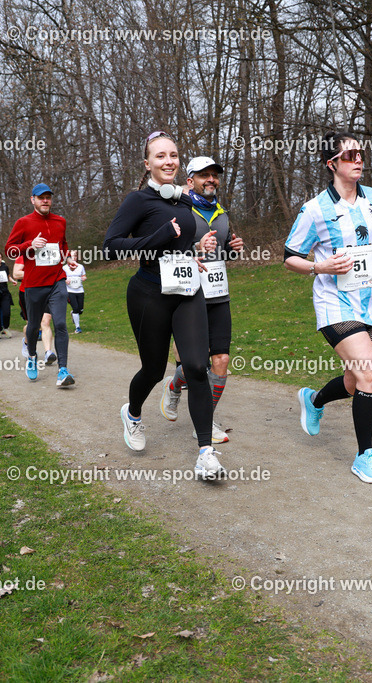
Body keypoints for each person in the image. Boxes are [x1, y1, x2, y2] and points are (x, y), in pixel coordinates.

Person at [284, 132, 372, 484]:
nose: (358, 159)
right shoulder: (314, 210)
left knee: (356, 382)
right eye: (350, 154)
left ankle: (314, 400)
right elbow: (289, 257)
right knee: (370, 374)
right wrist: (319, 267)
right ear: (332, 163)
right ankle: (364, 455)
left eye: (361, 153)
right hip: (334, 304)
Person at [103, 131, 223, 478]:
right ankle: (134, 413)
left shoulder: (184, 200)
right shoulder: (137, 201)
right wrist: (157, 239)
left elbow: (181, 242)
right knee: (153, 370)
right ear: (147, 164)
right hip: (148, 294)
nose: (168, 161)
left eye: (173, 155)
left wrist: (193, 254)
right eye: (160, 156)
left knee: (198, 367)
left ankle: (205, 453)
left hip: (187, 289)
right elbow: (111, 246)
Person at [161, 156, 243, 445]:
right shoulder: (179, 209)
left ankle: (205, 422)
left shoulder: (221, 213)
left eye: (214, 175)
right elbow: (164, 248)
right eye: (203, 175)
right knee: (196, 363)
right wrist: (194, 247)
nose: (211, 180)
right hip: (188, 293)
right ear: (190, 180)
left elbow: (221, 253)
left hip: (218, 293)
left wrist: (233, 249)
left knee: (221, 359)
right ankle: (173, 386)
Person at [5, 183, 74, 387]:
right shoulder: (23, 223)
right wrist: (29, 245)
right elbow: (9, 250)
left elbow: (63, 245)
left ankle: (63, 370)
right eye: (41, 197)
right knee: (33, 326)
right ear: (32, 200)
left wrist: (67, 257)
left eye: (48, 197)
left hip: (57, 281)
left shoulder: (60, 221)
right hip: (34, 285)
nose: (45, 201)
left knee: (60, 324)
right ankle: (33, 357)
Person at [13, 256, 55, 362]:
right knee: (32, 324)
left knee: (45, 321)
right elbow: (16, 274)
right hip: (27, 292)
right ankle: (27, 343)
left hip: (46, 291)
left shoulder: (49, 253)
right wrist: (37, 273)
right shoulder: (25, 255)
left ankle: (48, 353)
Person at [62, 252, 86, 334]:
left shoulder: (80, 267)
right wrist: (66, 281)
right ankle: (77, 327)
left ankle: (73, 314)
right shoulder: (64, 268)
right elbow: (62, 279)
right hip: (70, 290)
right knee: (75, 308)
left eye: (75, 256)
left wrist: (83, 278)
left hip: (80, 290)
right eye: (72, 256)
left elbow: (84, 276)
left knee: (80, 309)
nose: (74, 258)